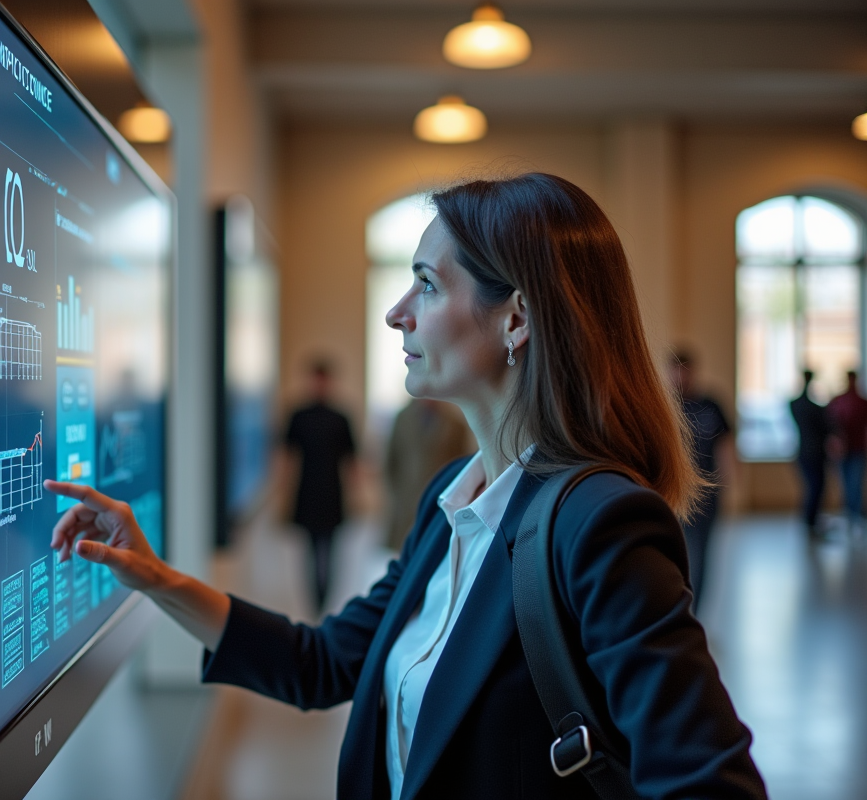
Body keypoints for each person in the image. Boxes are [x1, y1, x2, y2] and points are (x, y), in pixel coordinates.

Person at [44, 173, 766, 799]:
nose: (397, 313)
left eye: (426, 283)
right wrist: (155, 578)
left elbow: (707, 782)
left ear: (516, 318)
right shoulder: (453, 496)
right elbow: (323, 663)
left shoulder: (601, 523)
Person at [282, 358, 357, 611]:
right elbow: (286, 458)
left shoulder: (340, 417)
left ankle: (324, 598)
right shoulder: (298, 415)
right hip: (307, 490)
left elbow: (351, 461)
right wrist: (283, 495)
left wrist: (355, 497)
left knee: (331, 549)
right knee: (310, 550)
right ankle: (315, 600)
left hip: (332, 491)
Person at [669, 349, 732, 609]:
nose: (681, 375)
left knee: (700, 556)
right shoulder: (664, 405)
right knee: (671, 555)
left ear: (693, 371)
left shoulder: (711, 405)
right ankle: (674, 611)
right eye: (676, 369)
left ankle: (695, 614)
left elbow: (726, 445)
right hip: (671, 492)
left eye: (686, 369)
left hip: (706, 494)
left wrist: (731, 485)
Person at [384, 398, 474, 551]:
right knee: (405, 548)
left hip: (441, 496)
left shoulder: (454, 423)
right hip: (407, 496)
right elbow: (391, 459)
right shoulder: (403, 418)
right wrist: (395, 491)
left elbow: (462, 464)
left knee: (435, 547)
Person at [790, 370, 831, 539]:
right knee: (816, 488)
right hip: (814, 452)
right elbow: (826, 427)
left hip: (804, 452)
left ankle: (810, 521)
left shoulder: (795, 404)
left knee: (813, 488)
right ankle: (810, 521)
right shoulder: (812, 407)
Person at [827, 370, 867, 529]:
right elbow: (830, 425)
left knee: (855, 484)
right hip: (842, 451)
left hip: (858, 449)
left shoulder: (862, 402)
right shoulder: (837, 401)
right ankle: (850, 515)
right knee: (845, 484)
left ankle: (855, 516)